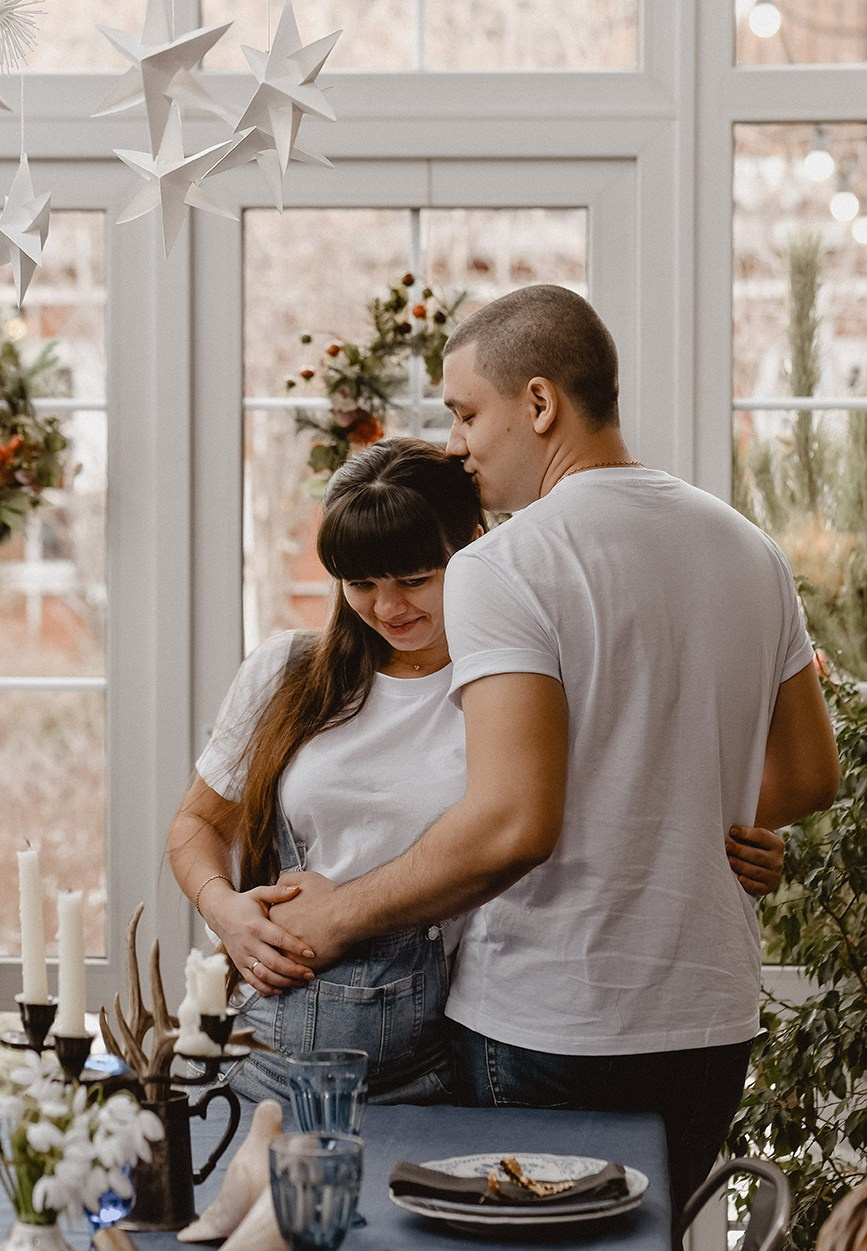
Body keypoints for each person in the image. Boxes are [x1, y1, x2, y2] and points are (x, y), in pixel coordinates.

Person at [264, 285, 840, 1218]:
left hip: (547, 1019)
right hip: (709, 1015)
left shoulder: (509, 561)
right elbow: (811, 773)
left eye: (464, 412)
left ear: (538, 404)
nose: (457, 443)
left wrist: (338, 916)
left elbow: (512, 823)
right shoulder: (748, 548)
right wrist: (700, 815)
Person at [167, 433, 784, 1110]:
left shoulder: (521, 688)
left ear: (476, 546)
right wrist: (224, 909)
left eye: (414, 579)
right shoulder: (286, 671)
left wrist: (728, 829)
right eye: (361, 583)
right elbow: (196, 822)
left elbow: (624, 799)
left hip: (447, 1061)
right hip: (270, 1055)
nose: (387, 607)